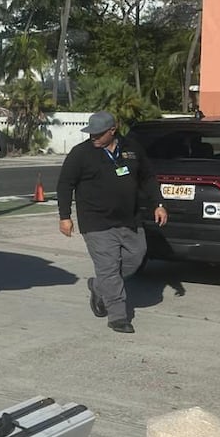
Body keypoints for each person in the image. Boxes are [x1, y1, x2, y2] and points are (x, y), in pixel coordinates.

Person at [56, 111, 167, 334]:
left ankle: (98, 286)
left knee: (136, 257)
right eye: (90, 134)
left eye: (98, 134)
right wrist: (65, 216)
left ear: (112, 131)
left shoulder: (132, 149)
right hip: (96, 221)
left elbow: (147, 177)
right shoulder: (81, 154)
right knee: (108, 268)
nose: (93, 138)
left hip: (129, 219)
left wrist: (159, 203)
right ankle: (118, 317)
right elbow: (65, 184)